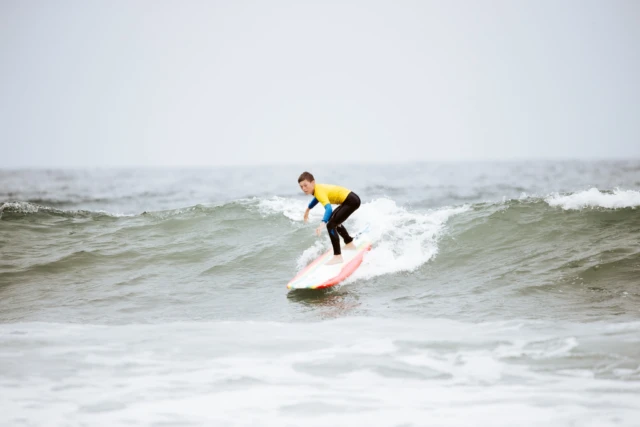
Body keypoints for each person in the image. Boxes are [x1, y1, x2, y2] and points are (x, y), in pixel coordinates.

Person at [298, 171, 361, 265]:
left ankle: (338, 256)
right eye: (301, 186)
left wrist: (323, 223)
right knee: (334, 221)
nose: (303, 188)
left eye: (305, 185)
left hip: (351, 201)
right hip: (351, 200)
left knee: (331, 225)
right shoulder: (317, 189)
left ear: (313, 182)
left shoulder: (318, 191)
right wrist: (308, 209)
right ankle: (349, 243)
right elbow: (317, 199)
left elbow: (328, 208)